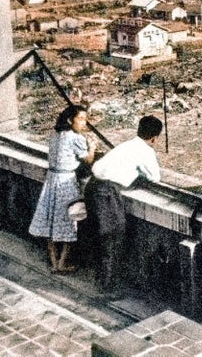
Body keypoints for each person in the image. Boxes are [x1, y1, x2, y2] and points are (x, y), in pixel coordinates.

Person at [86, 115, 163, 290]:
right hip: (107, 193)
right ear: (154, 138)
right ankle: (108, 286)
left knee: (99, 236)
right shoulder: (146, 151)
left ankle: (101, 278)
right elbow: (155, 177)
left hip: (92, 186)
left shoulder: (126, 145)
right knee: (112, 237)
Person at [29, 104, 97, 273]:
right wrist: (93, 148)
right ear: (70, 120)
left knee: (51, 219)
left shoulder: (54, 135)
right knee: (69, 218)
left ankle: (53, 261)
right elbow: (88, 160)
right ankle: (62, 263)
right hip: (66, 180)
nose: (84, 123)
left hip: (51, 179)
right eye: (80, 119)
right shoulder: (75, 138)